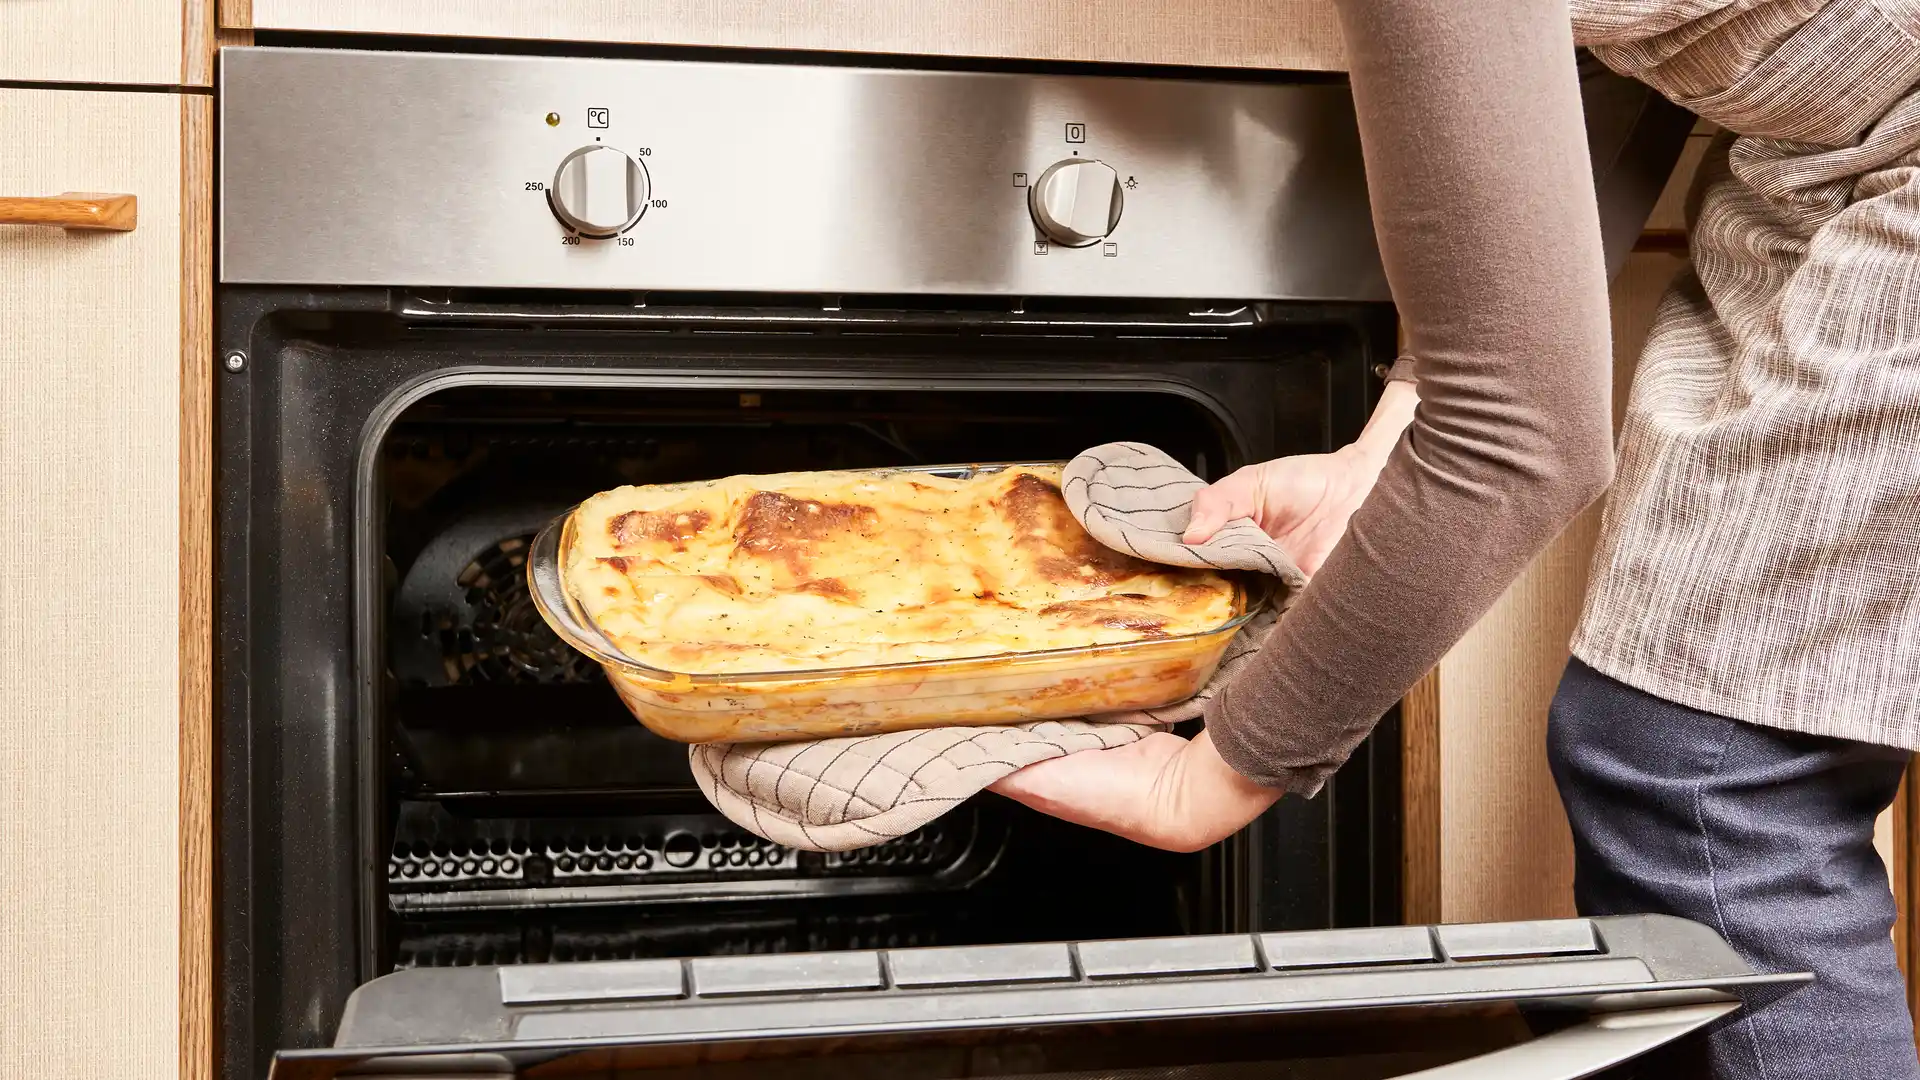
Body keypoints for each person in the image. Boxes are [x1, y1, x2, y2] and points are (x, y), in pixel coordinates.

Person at [990, 0, 1920, 1076]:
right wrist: (1397, 431)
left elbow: (1525, 441)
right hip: (1826, 156)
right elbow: (1591, 47)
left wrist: (1211, 776)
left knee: (1709, 782)